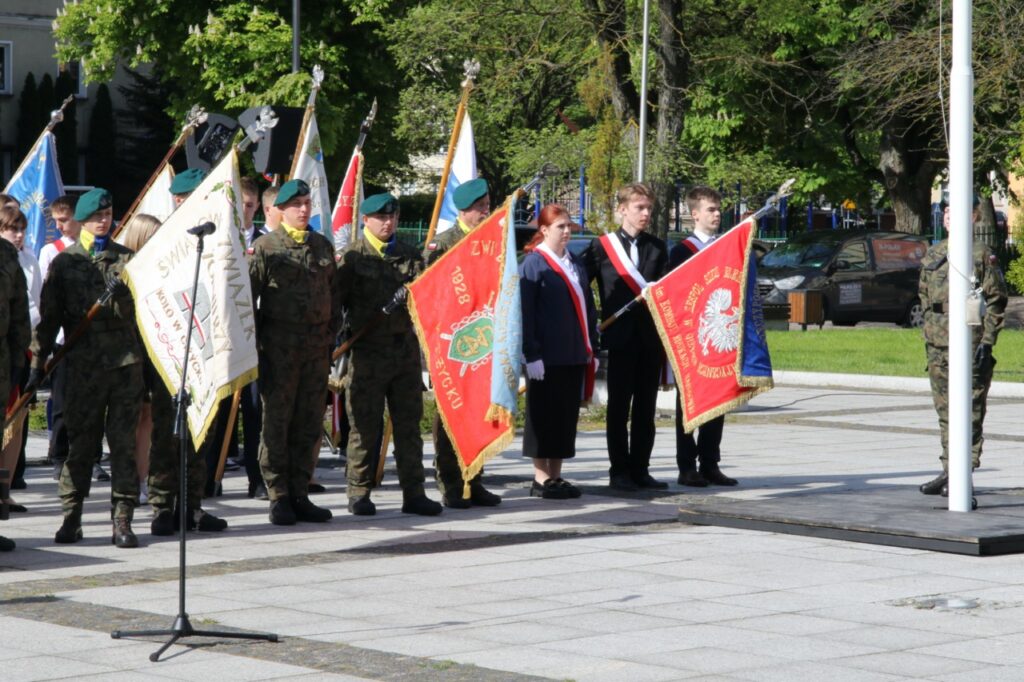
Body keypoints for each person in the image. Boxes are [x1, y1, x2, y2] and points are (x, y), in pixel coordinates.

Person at [29, 188, 144, 547]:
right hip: (83, 368)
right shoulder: (65, 263)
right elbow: (49, 320)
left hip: (125, 366)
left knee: (123, 445)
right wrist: (37, 363)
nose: (103, 221)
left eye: (108, 215)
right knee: (82, 445)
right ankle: (71, 517)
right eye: (96, 216)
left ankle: (122, 520)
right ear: (81, 219)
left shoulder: (128, 260)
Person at [337, 192, 441, 517]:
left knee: (409, 427)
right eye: (381, 217)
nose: (388, 222)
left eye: (393, 216)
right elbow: (334, 304)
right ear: (366, 220)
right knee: (365, 428)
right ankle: (359, 492)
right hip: (367, 354)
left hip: (404, 353)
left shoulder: (410, 255)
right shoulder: (352, 258)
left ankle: (414, 493)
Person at [249, 179, 339, 525]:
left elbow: (334, 296)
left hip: (316, 350)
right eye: (296, 204)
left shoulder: (322, 246)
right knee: (277, 421)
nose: (304, 209)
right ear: (281, 210)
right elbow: (249, 303)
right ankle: (278, 494)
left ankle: (301, 490)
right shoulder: (266, 248)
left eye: (307, 203)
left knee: (309, 422)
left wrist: (329, 337)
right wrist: (258, 346)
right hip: (279, 349)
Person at [422, 178, 502, 508]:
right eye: (480, 208)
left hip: (483, 344)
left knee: (479, 413)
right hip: (450, 347)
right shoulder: (443, 245)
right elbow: (430, 299)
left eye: (487, 206)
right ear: (464, 210)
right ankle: (452, 483)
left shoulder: (491, 242)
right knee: (450, 414)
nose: (486, 212)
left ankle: (475, 479)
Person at [582, 183, 668, 491]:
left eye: (649, 209)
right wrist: (590, 321)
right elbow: (579, 284)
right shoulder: (601, 247)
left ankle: (641, 469)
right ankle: (618, 470)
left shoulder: (657, 247)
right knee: (618, 408)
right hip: (618, 339)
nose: (646, 214)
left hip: (649, 340)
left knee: (646, 408)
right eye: (639, 208)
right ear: (622, 210)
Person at [918, 201, 1007, 496]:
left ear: (973, 217)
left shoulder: (980, 255)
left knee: (969, 409)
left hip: (970, 344)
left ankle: (964, 473)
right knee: (945, 411)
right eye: (945, 212)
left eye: (954, 211)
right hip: (938, 344)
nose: (947, 216)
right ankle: (949, 470)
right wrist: (928, 333)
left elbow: (996, 302)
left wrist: (987, 341)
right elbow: (923, 296)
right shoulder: (934, 253)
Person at [519, 204, 598, 499]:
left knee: (565, 417)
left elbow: (587, 308)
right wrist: (532, 353)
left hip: (573, 353)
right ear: (544, 230)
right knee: (542, 416)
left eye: (568, 227)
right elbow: (525, 313)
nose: (566, 232)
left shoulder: (574, 263)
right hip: (545, 356)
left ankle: (556, 474)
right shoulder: (534, 264)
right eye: (560, 227)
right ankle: (540, 477)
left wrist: (591, 344)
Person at [669, 186, 739, 487]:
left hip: (719, 338)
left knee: (718, 399)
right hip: (691, 341)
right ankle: (687, 466)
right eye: (710, 209)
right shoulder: (682, 250)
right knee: (688, 405)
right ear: (694, 213)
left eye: (718, 209)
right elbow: (675, 295)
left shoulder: (724, 245)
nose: (717, 214)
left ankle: (710, 463)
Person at [40, 195, 93, 482]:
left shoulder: (91, 249)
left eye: (65, 220)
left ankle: (90, 455)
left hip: (89, 337)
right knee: (61, 400)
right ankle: (59, 454)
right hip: (63, 337)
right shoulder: (51, 251)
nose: (60, 226)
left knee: (89, 401)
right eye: (57, 221)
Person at [117, 214, 163, 507]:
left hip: (154, 348)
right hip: (128, 350)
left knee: (148, 414)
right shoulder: (125, 268)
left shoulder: (161, 266)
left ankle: (143, 477)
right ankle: (127, 477)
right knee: (130, 417)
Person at [0, 206, 36, 513]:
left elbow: (22, 311)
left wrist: (19, 360)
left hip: (6, 358)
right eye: (13, 228)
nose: (19, 234)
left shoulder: (10, 256)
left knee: (7, 431)